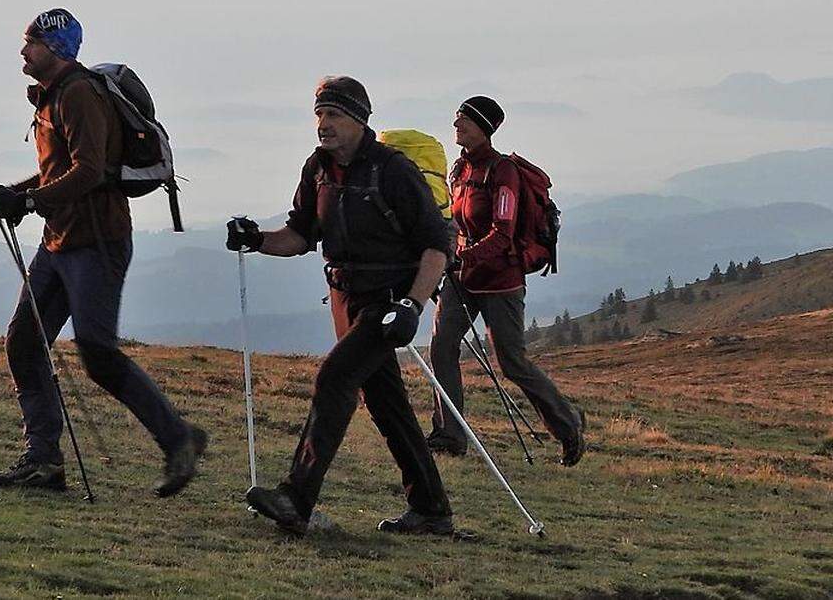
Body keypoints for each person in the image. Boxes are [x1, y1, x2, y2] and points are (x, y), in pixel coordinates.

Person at [0, 8, 206, 496]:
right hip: (61, 240)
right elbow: (63, 169)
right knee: (24, 342)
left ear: (56, 49)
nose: (22, 51)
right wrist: (11, 193)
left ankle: (178, 438)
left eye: (31, 42)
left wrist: (29, 200)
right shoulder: (55, 96)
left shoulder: (77, 93)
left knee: (97, 353)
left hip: (95, 243)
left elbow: (89, 170)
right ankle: (43, 461)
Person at [227, 76, 469, 537]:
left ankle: (296, 498)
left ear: (359, 120)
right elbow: (300, 234)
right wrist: (256, 239)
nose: (324, 124)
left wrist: (413, 306)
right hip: (346, 297)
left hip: (388, 302)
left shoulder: (393, 170)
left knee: (335, 376)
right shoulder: (317, 170)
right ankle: (432, 511)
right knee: (387, 405)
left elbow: (437, 246)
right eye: (319, 114)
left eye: (334, 115)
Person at [425, 96, 585, 466]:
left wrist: (461, 257)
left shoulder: (503, 173)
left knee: (513, 363)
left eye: (463, 119)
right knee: (441, 348)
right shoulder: (459, 170)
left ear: (483, 127)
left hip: (500, 281)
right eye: (456, 118)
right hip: (463, 278)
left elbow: (503, 234)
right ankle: (449, 435)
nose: (456, 125)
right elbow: (456, 220)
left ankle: (568, 425)